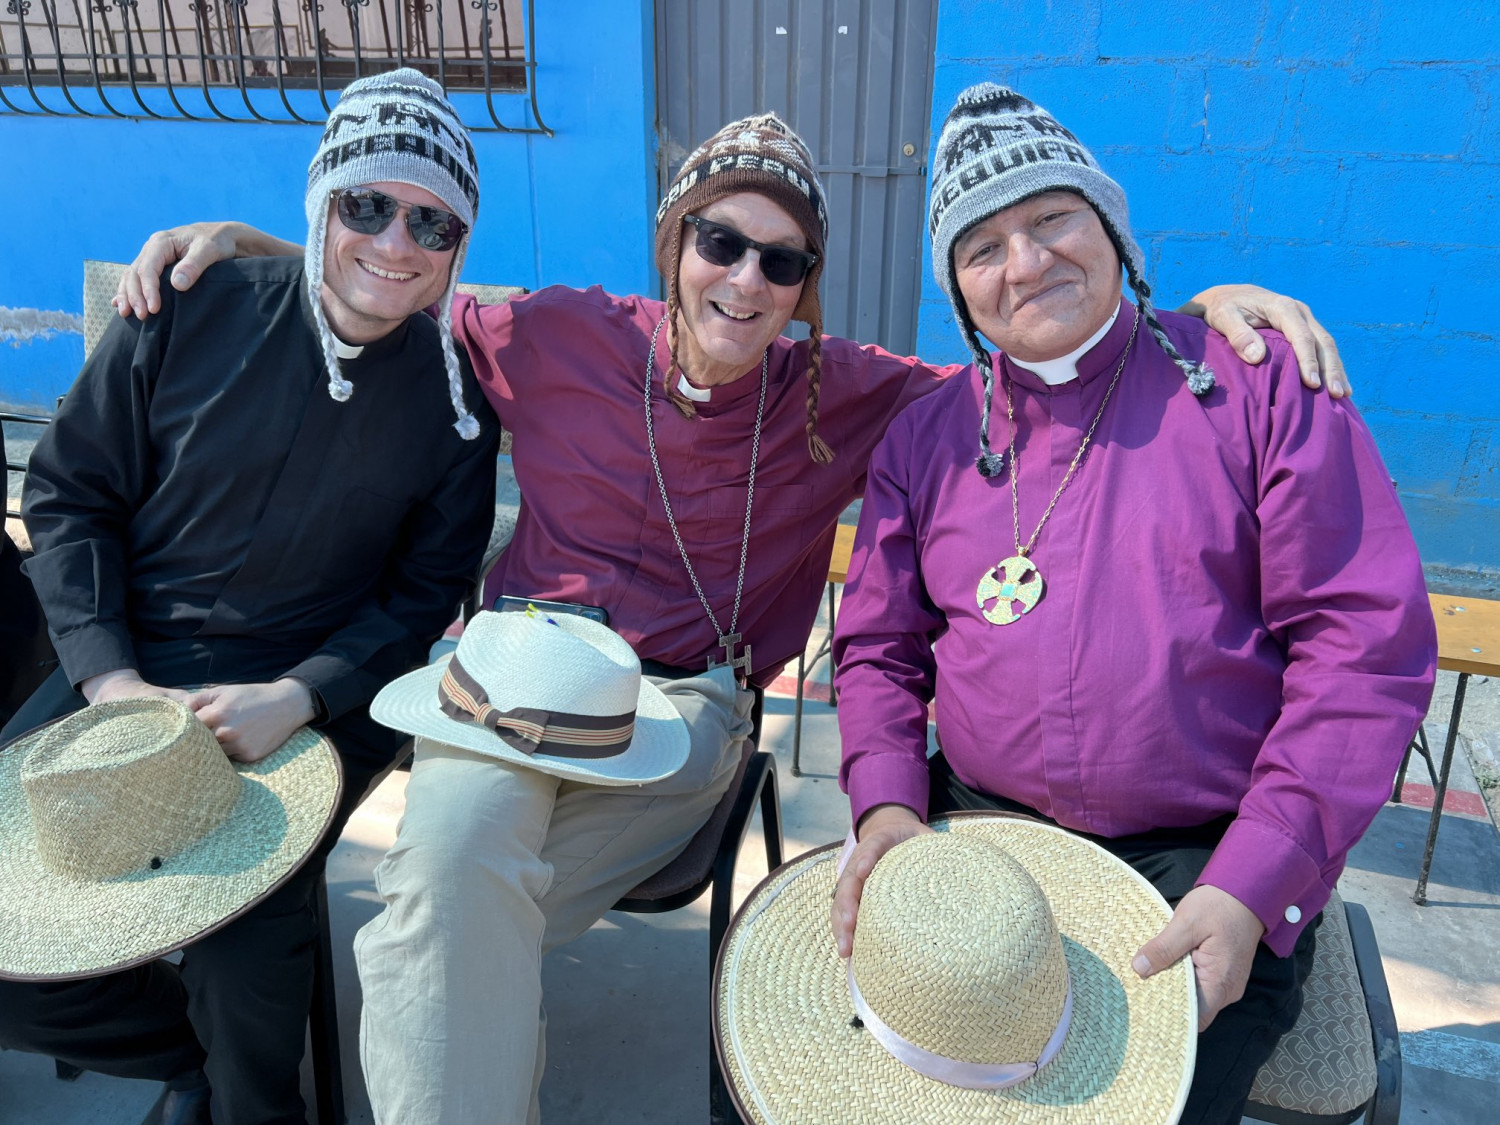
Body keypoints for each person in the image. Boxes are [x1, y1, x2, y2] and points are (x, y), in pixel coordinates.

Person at [119, 111, 1353, 1124]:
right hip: (503, 692)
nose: (747, 279)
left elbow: (1049, 351)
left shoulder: (862, 396)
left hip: (684, 710)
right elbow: (397, 276)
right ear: (674, 248)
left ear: (807, 286)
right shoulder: (554, 333)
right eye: (722, 241)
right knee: (446, 877)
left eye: (783, 260)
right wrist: (259, 246)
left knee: (437, 921)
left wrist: (1197, 306)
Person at [828, 84, 1436, 1125]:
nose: (1024, 263)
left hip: (1204, 858)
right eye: (982, 247)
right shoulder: (929, 436)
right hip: (978, 850)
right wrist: (887, 799)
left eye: (1051, 218)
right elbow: (878, 646)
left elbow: (1361, 649)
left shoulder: (1255, 385)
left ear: (1110, 225)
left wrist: (1258, 880)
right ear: (960, 294)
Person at [0, 69, 499, 1125]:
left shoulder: (458, 415)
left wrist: (302, 695)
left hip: (311, 694)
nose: (397, 242)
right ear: (322, 202)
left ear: (459, 248)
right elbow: (68, 495)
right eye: (368, 205)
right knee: (12, 945)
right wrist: (110, 677)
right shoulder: (181, 309)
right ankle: (190, 1060)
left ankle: (246, 1101)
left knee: (246, 951)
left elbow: (420, 604)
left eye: (432, 223)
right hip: (127, 665)